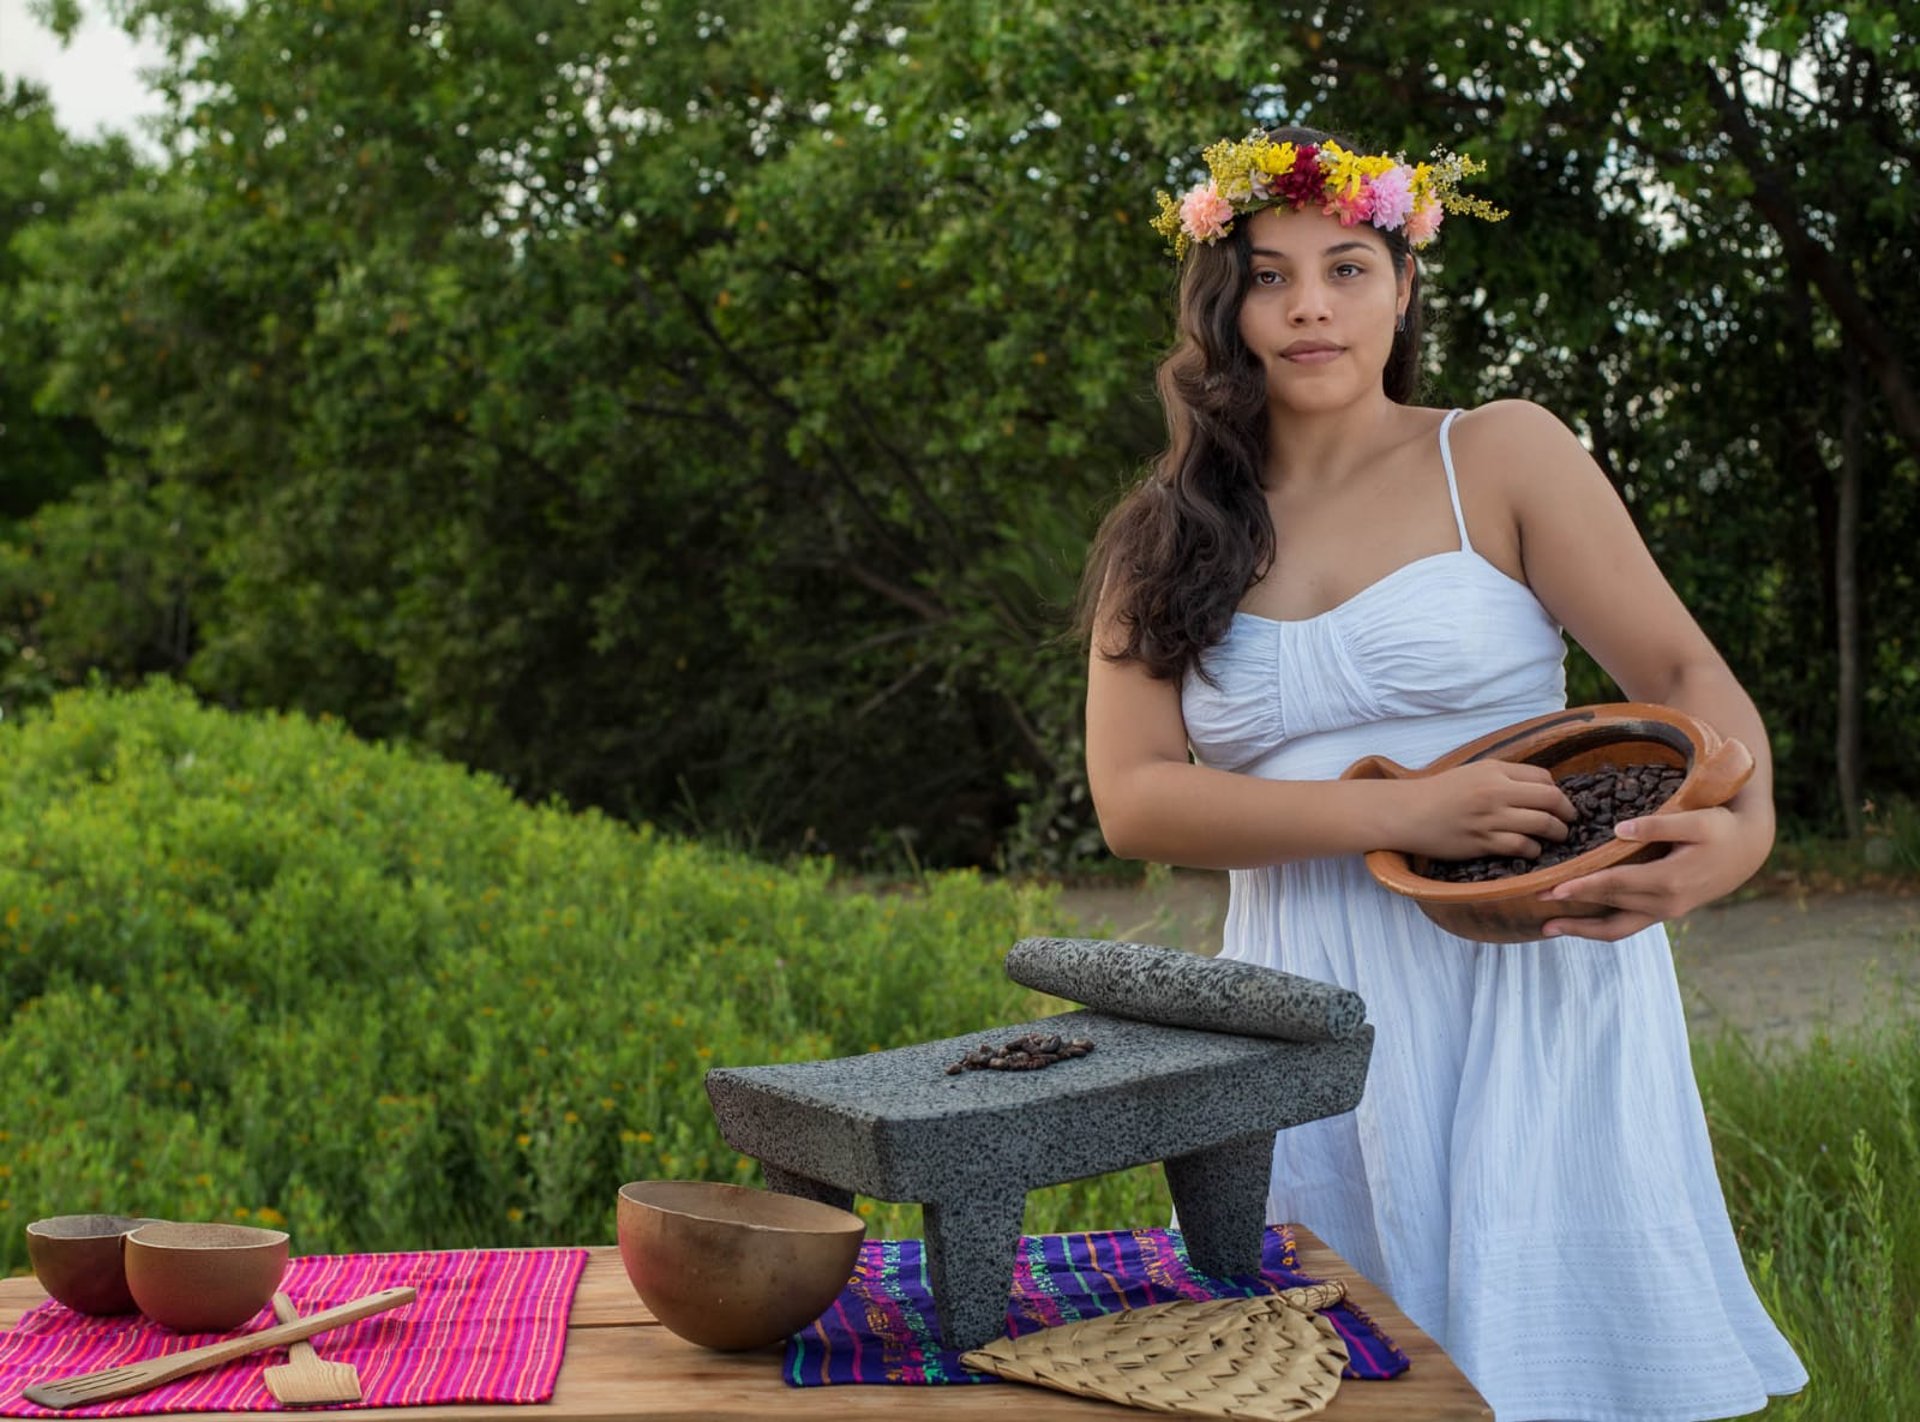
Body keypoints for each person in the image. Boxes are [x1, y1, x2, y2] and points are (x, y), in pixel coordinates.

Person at [1078, 126, 1808, 1422]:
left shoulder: (1502, 455)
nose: (1309, 302)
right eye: (1267, 273)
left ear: (1404, 289)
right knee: (1336, 1372)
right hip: (1297, 1008)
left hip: (1531, 976)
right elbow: (1136, 797)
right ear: (1221, 305)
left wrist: (1739, 837)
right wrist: (1399, 808)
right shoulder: (1165, 531)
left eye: (1347, 266)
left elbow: (1688, 678)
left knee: (1562, 1362)